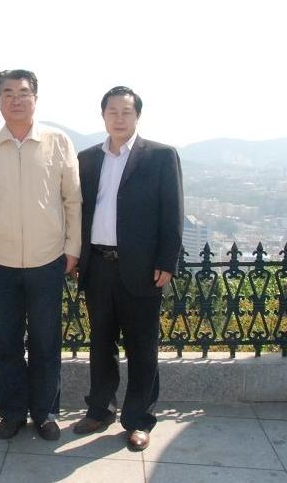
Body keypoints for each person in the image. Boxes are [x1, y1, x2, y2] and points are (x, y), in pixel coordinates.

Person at [0, 69, 81, 441]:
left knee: (47, 342)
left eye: (23, 92)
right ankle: (12, 413)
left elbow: (72, 199)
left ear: (35, 98)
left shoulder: (57, 141)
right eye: (8, 93)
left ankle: (46, 413)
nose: (16, 100)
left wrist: (72, 248)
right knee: (8, 342)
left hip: (47, 259)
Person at [75, 86, 183, 451]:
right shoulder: (87, 158)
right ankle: (100, 409)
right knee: (101, 343)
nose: (119, 118)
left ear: (137, 116)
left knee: (142, 347)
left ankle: (139, 420)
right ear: (103, 115)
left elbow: (172, 212)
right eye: (113, 112)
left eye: (126, 112)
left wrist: (167, 261)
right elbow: (79, 210)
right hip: (98, 265)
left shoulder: (160, 156)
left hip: (143, 269)